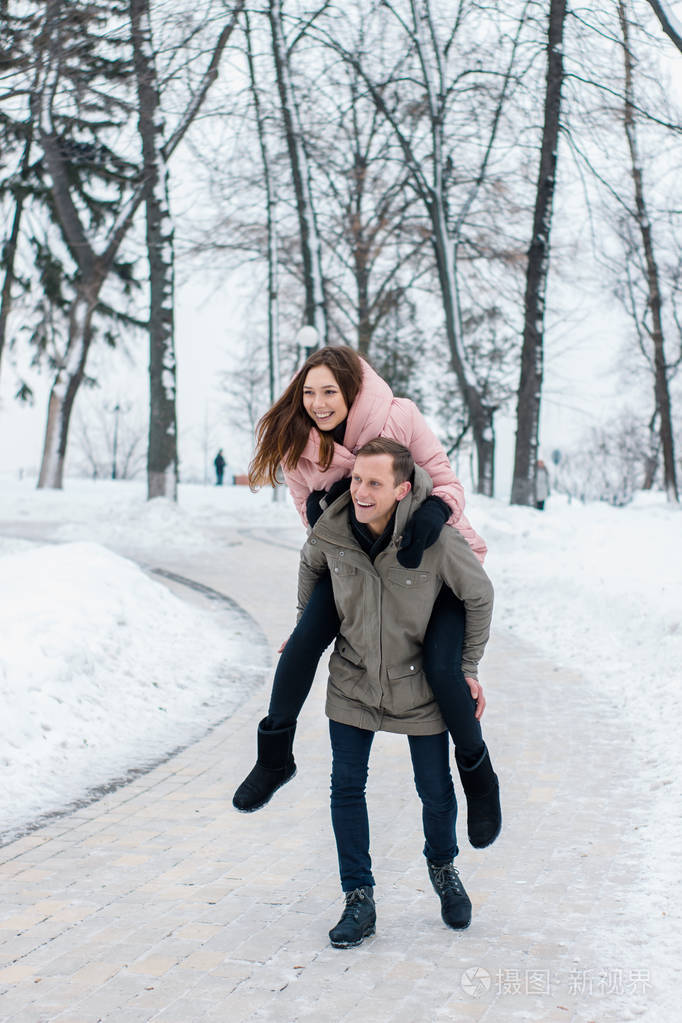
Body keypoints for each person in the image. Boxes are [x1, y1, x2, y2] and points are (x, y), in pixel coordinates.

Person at [233, 345, 500, 850]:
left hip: (426, 565)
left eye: (329, 391)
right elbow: (309, 525)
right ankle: (274, 758)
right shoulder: (298, 444)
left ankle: (480, 778)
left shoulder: (399, 417)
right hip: (356, 565)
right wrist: (318, 507)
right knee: (302, 643)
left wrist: (433, 513)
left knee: (443, 671)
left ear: (350, 391)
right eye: (308, 392)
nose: (318, 403)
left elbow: (446, 481)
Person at [297, 438, 495, 946]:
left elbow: (479, 594)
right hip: (353, 682)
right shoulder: (335, 527)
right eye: (357, 480)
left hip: (419, 687)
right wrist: (305, 625)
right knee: (345, 787)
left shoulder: (437, 540)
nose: (359, 492)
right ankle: (358, 898)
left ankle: (443, 867)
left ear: (402, 489)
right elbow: (310, 565)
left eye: (374, 483)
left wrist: (466, 665)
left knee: (434, 789)